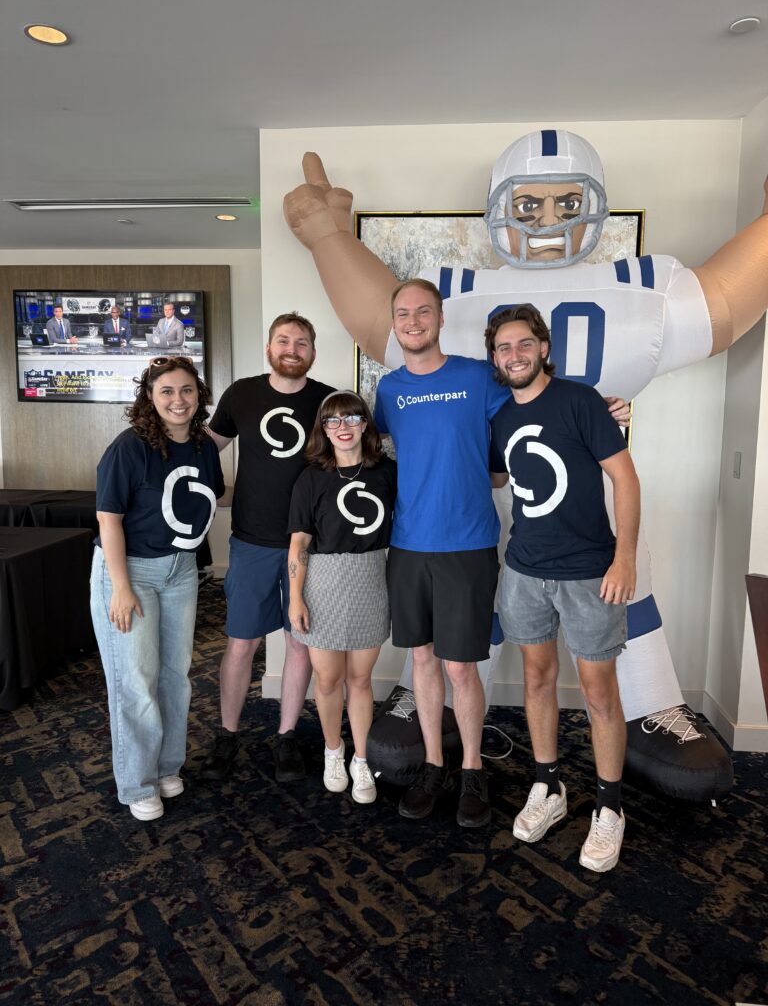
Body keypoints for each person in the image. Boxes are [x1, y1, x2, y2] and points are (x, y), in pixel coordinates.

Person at [283, 130, 768, 800]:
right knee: (478, 627)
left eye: (566, 203)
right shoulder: (421, 360)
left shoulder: (627, 299)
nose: (546, 221)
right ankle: (451, 728)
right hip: (465, 524)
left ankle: (650, 701)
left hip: (561, 513)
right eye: (529, 204)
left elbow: (720, 303)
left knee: (619, 591)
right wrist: (328, 237)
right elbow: (382, 330)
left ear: (539, 347)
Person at [486, 304, 640, 872]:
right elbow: (497, 474)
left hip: (589, 572)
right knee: (536, 678)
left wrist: (624, 559)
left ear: (544, 348)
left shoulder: (580, 401)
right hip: (524, 569)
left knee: (599, 694)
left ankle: (610, 807)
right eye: (504, 348)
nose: (515, 355)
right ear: (495, 358)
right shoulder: (501, 416)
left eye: (524, 344)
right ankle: (548, 786)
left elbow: (625, 478)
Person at [373, 278, 510, 828]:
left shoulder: (478, 377)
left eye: (423, 311)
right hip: (408, 544)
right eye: (403, 313)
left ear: (440, 318)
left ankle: (472, 769)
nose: (413, 321)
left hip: (468, 543)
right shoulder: (389, 391)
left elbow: (535, 404)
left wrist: (596, 407)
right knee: (423, 660)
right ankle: (433, 766)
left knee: (460, 665)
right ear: (394, 323)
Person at [91, 355, 225, 821]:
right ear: (150, 397)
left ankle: (166, 765)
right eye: (166, 391)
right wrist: (120, 587)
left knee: (174, 677)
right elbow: (108, 519)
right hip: (130, 572)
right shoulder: (129, 448)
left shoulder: (204, 447)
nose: (178, 400)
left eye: (187, 390)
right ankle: (137, 781)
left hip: (180, 571)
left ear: (199, 396)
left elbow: (206, 499)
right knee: (136, 681)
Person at [203, 312, 335, 783]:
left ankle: (286, 736)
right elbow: (205, 448)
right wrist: (205, 491)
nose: (291, 349)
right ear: (269, 348)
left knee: (299, 644)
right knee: (242, 643)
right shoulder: (242, 394)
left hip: (312, 546)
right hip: (251, 542)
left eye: (301, 342)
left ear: (313, 352)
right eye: (283, 340)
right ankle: (227, 734)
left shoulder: (327, 401)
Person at [287, 391, 396, 804]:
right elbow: (299, 543)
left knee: (361, 679)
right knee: (329, 679)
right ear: (324, 429)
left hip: (371, 578)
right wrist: (296, 598)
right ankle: (334, 751)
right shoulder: (311, 478)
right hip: (324, 582)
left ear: (365, 424)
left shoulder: (388, 472)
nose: (343, 427)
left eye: (351, 418)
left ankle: (361, 759)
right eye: (333, 420)